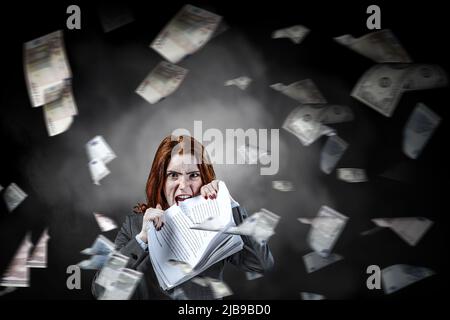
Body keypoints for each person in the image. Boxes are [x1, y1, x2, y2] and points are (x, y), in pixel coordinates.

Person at [92, 135, 274, 299]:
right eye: (173, 175)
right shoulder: (135, 225)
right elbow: (102, 291)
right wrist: (141, 240)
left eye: (193, 175)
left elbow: (262, 264)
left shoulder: (218, 220)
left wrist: (229, 203)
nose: (183, 185)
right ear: (161, 181)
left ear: (205, 179)